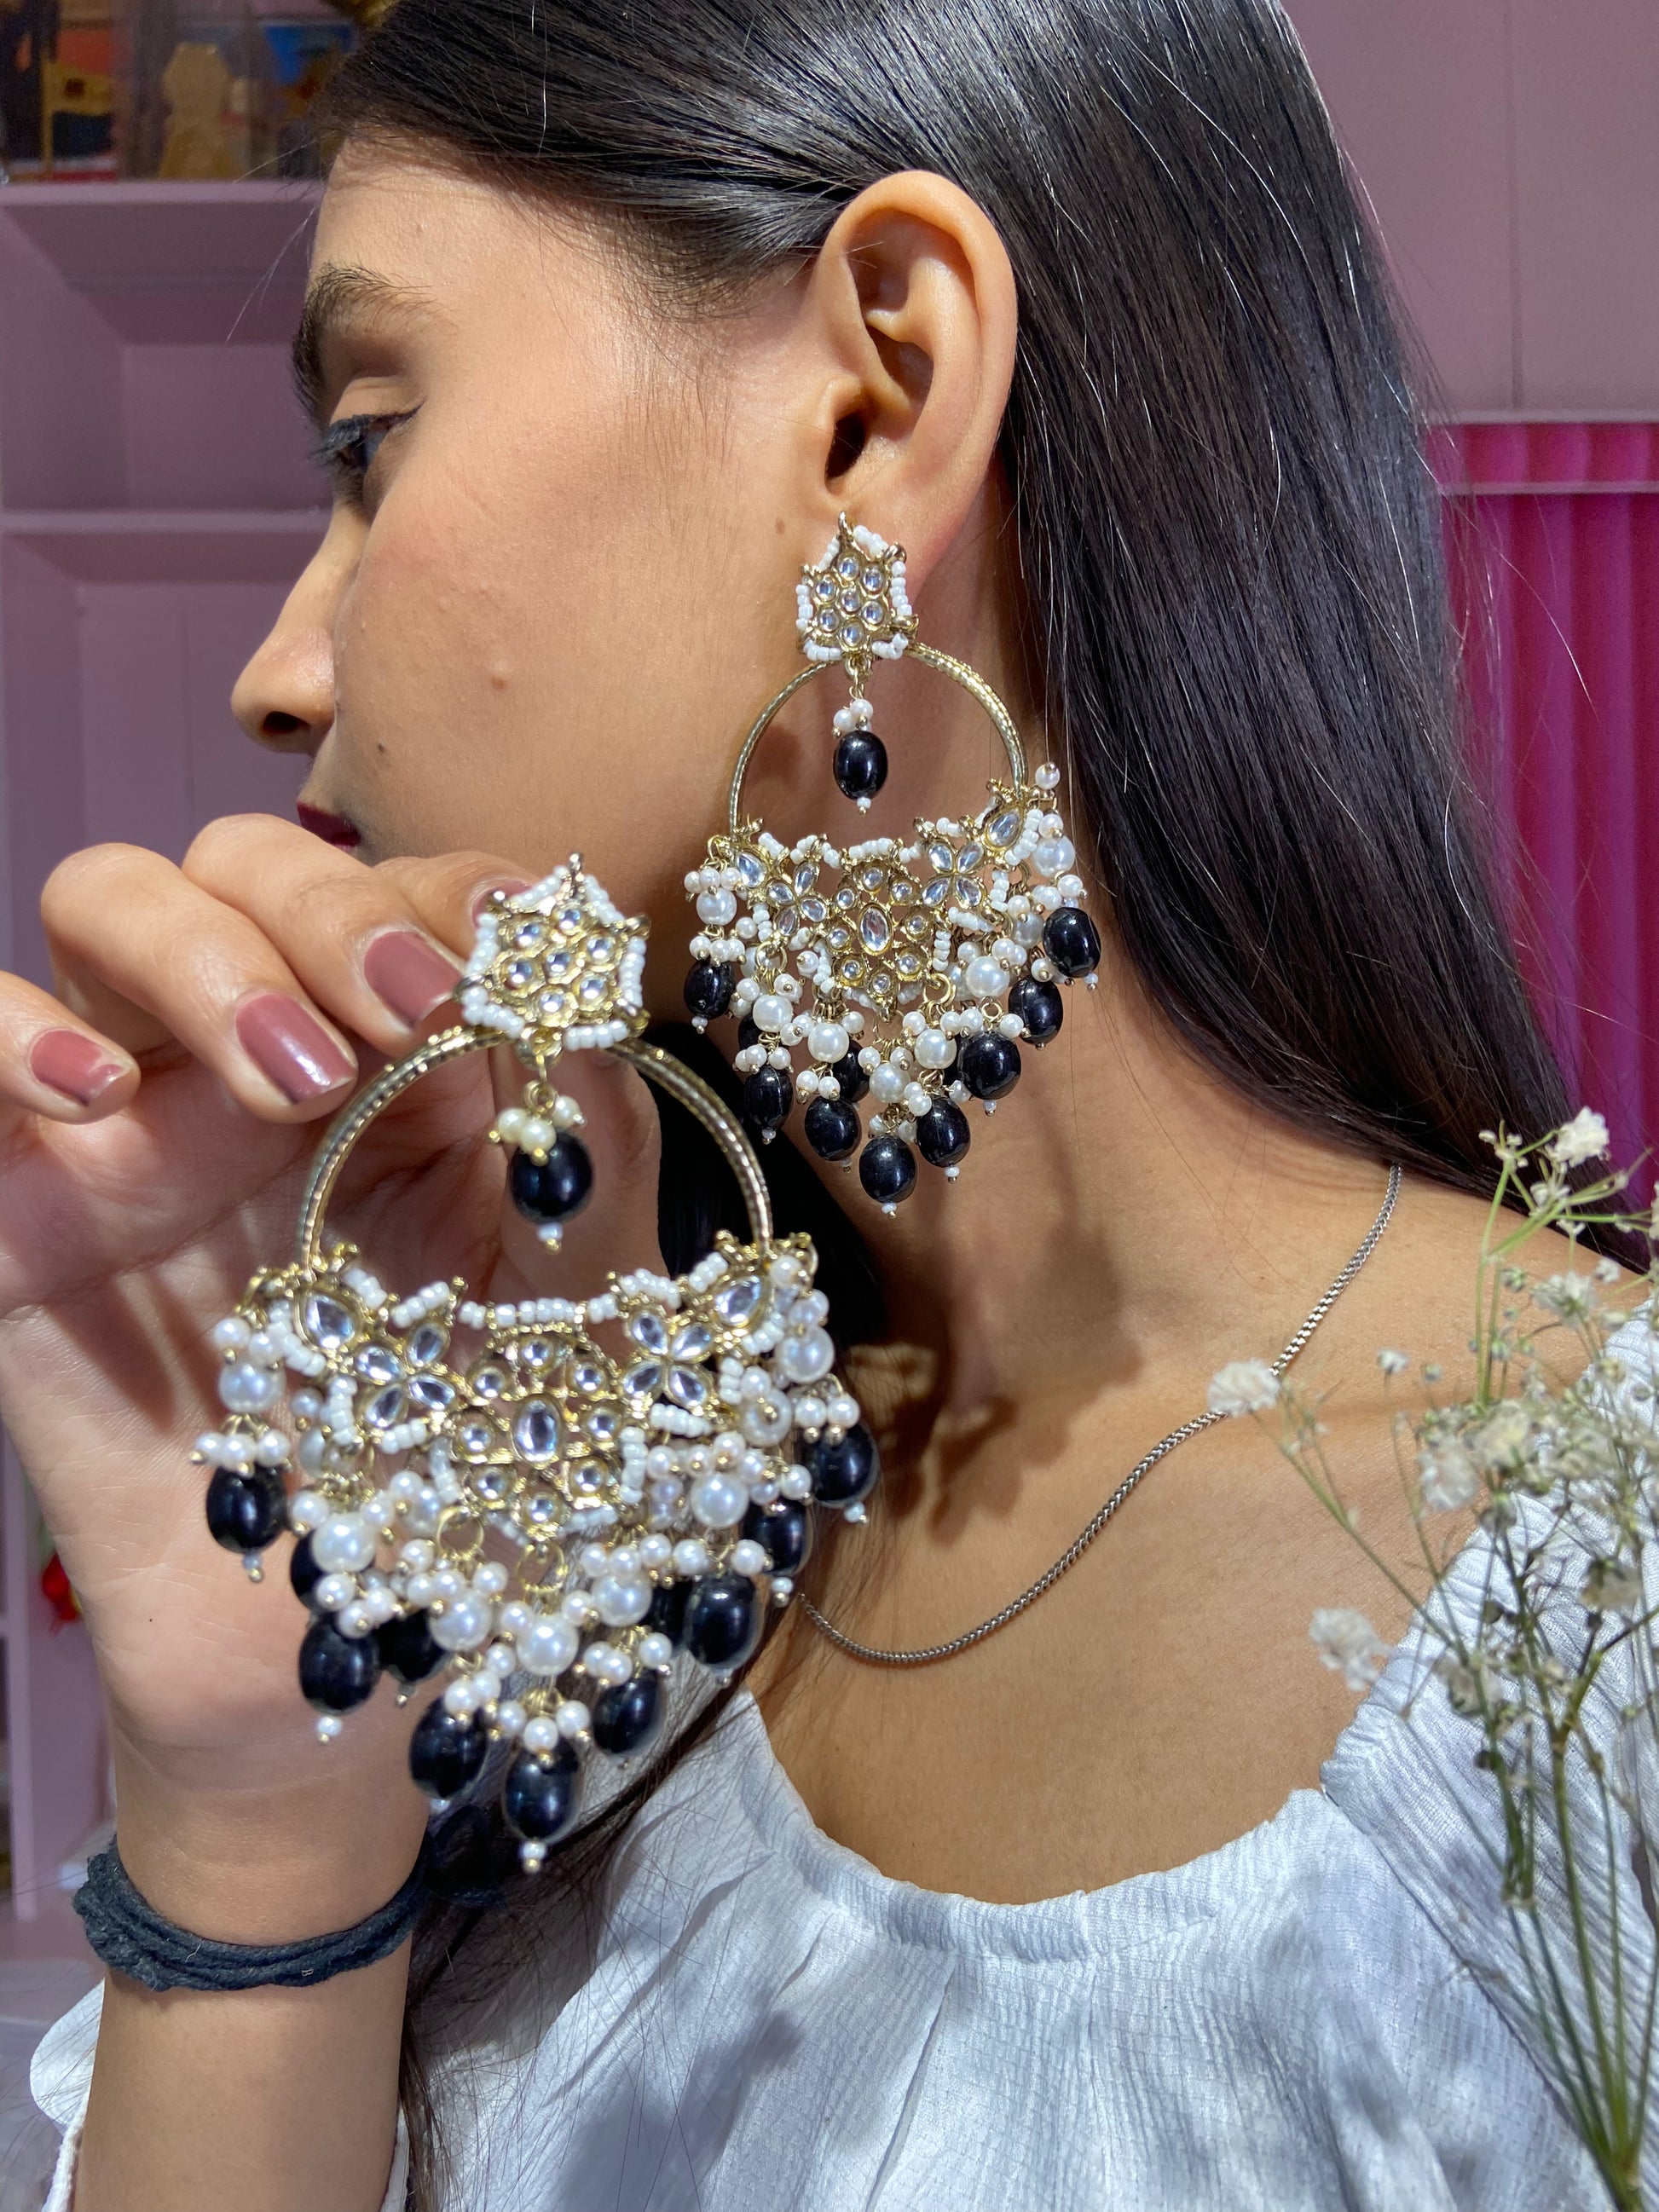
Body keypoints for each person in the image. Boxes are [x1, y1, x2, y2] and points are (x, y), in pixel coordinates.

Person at [6, 2, 1639, 2207]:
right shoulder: (545, 1550)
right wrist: (253, 1807)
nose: (278, 669)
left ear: (875, 396)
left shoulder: (1601, 1593)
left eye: (373, 439)